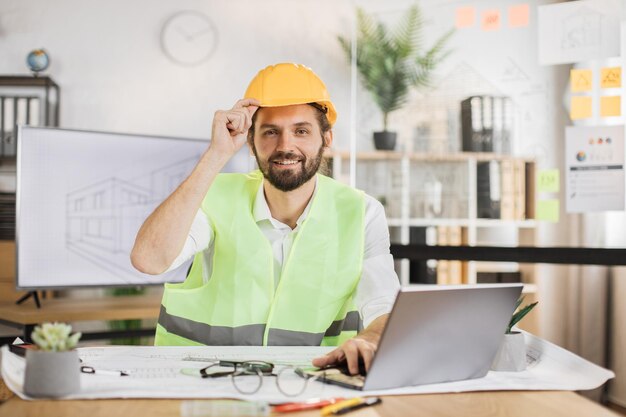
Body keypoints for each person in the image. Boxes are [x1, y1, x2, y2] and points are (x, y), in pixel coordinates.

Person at [130, 63, 400, 375]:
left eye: (301, 130)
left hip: (310, 387)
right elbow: (149, 260)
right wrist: (216, 155)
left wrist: (369, 341)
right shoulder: (212, 195)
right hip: (202, 386)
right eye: (271, 132)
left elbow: (382, 305)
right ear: (250, 141)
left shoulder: (361, 212)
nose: (286, 146)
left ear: (326, 139)